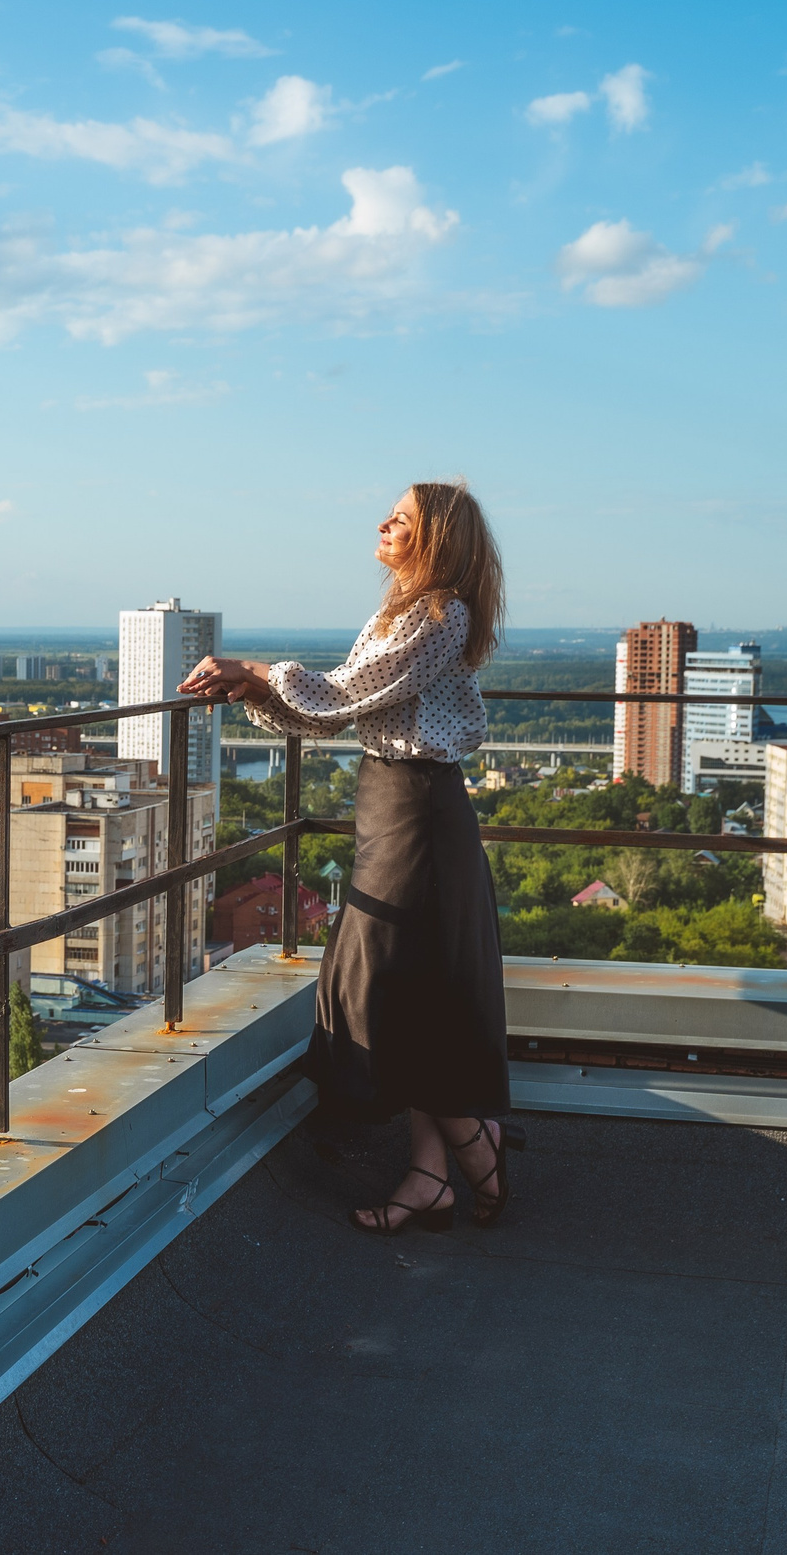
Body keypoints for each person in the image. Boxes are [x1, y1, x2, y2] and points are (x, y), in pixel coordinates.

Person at [179, 481, 510, 1234]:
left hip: (419, 811)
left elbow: (339, 694)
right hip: (394, 804)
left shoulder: (439, 614)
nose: (385, 523)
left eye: (404, 518)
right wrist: (252, 686)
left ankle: (472, 1143)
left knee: (387, 983)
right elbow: (334, 712)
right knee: (411, 985)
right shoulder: (401, 611)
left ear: (439, 539)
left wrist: (256, 669)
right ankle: (431, 1173)